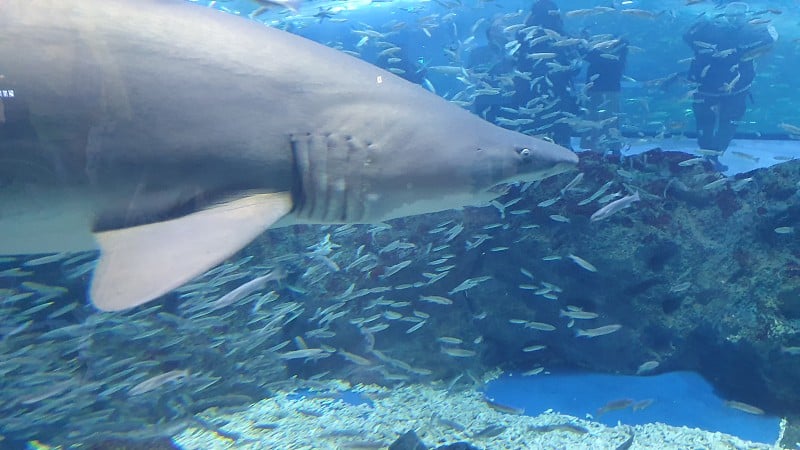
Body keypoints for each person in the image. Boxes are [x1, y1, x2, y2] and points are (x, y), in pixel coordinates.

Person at [683, 2, 777, 170]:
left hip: (727, 86)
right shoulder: (750, 30)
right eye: (731, 11)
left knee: (721, 122)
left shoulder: (708, 27)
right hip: (712, 86)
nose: (734, 16)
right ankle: (711, 156)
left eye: (738, 11)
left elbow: (688, 37)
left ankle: (712, 156)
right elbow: (770, 39)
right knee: (714, 121)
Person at [512, 0, 581, 149]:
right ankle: (564, 166)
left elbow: (515, 63)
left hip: (528, 92)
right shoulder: (563, 37)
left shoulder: (523, 36)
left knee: (531, 134)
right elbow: (575, 68)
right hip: (560, 93)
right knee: (561, 135)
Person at [580, 37, 628, 154]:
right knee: (611, 119)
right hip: (612, 91)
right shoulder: (619, 58)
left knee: (596, 117)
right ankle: (613, 148)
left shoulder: (605, 56)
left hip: (596, 91)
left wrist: (583, 42)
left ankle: (597, 148)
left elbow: (587, 54)